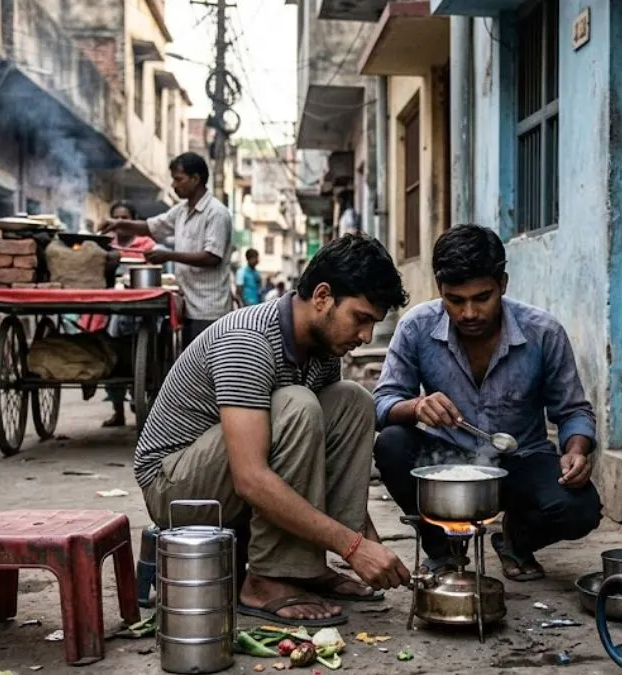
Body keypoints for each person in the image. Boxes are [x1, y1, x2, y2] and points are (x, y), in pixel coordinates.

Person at [134, 233, 412, 626]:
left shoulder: (322, 350)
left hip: (227, 475)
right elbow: (250, 479)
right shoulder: (248, 341)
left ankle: (304, 570)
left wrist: (369, 544)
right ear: (322, 296)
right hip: (175, 488)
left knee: (353, 401)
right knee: (296, 405)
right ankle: (266, 580)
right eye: (361, 318)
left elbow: (325, 455)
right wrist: (351, 547)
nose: (366, 336)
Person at [372, 224, 602, 582]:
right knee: (391, 444)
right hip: (447, 466)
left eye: (482, 298)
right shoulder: (416, 327)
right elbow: (382, 403)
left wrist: (576, 450)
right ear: (439, 288)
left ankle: (515, 540)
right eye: (455, 300)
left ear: (503, 284)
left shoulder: (543, 332)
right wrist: (416, 407)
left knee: (581, 508)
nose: (469, 313)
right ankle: (442, 551)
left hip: (520, 462)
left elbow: (573, 411)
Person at [101, 152, 233, 346]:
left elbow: (212, 257)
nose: (173, 185)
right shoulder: (182, 210)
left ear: (195, 179)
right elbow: (151, 226)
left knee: (206, 361)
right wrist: (118, 224)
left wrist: (168, 255)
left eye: (178, 179)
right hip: (187, 305)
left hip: (209, 310)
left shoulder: (216, 213)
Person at [80, 201, 156, 426]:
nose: (121, 222)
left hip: (138, 308)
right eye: (117, 218)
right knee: (108, 352)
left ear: (133, 220)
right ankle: (117, 411)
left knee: (138, 357)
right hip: (108, 307)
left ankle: (140, 400)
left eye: (126, 218)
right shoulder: (104, 245)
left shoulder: (146, 244)